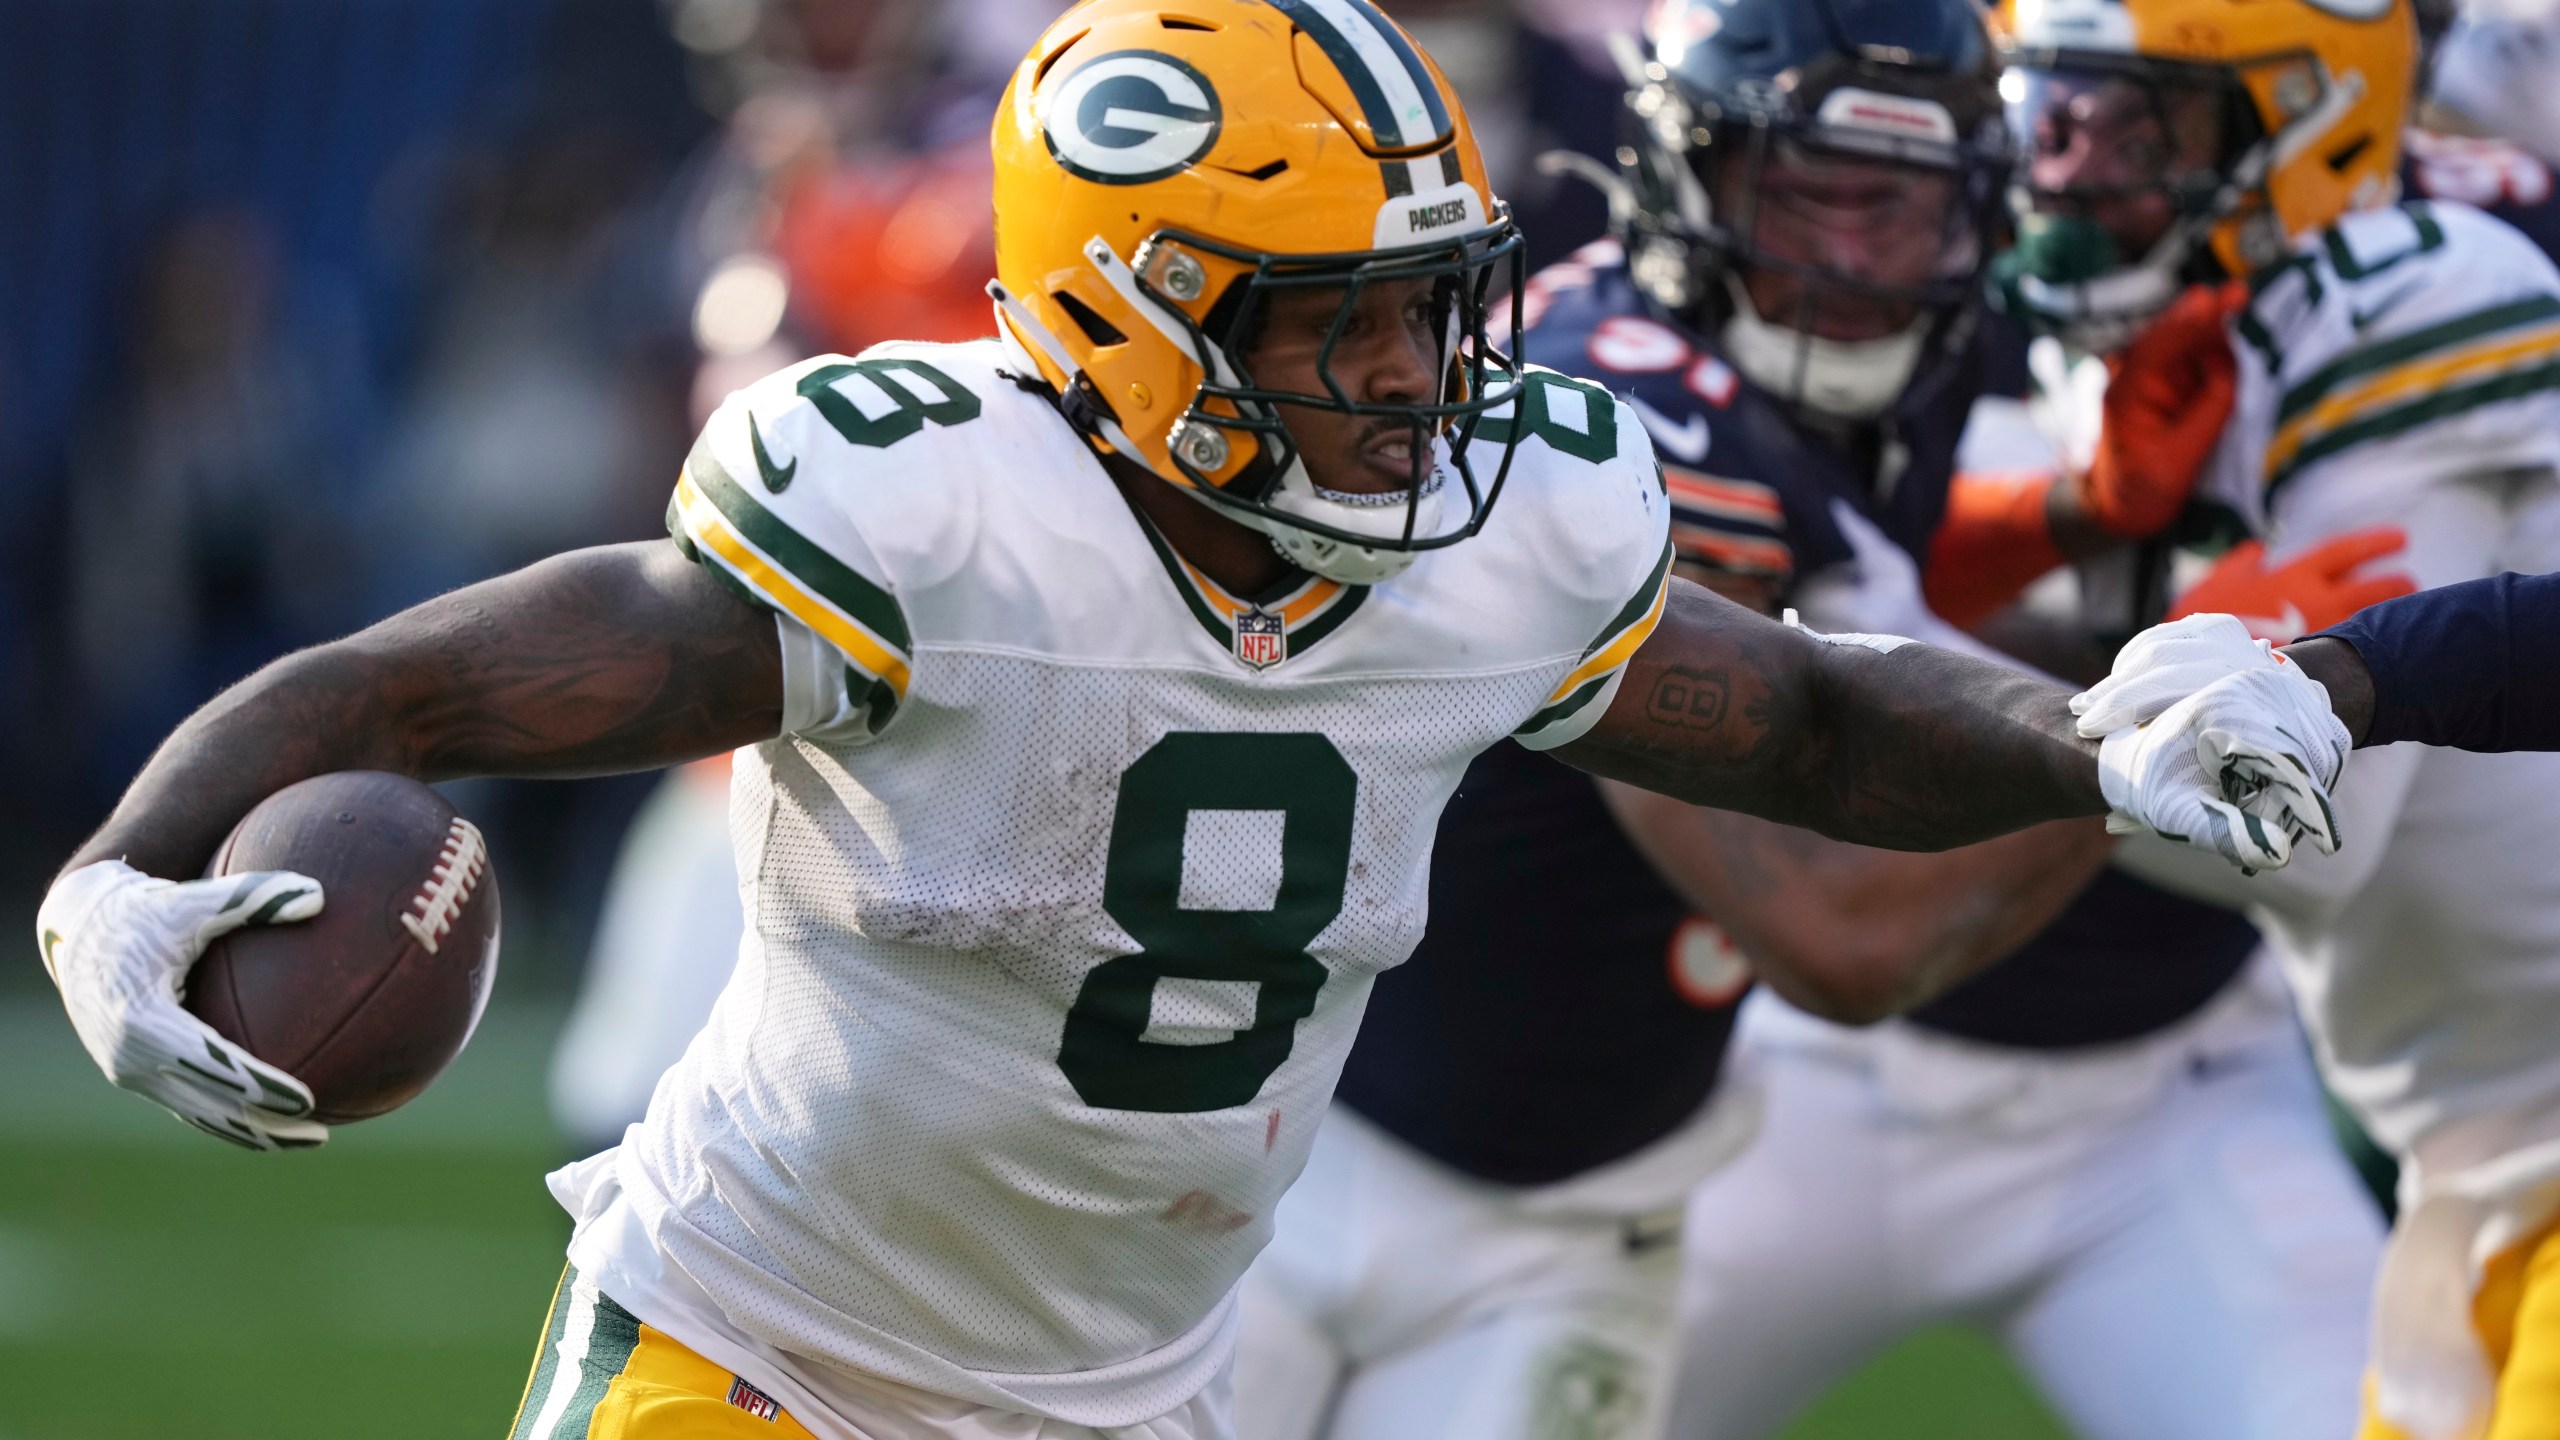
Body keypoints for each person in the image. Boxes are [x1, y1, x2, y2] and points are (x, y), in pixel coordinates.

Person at [31, 3, 2330, 1438]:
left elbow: (1810, 728)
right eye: (1341, 325)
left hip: (1141, 1395)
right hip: (763, 1351)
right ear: (1138, 323)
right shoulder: (932, 514)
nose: (1418, 379)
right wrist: (118, 879)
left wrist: (2089, 738)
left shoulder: (1498, 529)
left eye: (1433, 311)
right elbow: (419, 685)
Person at [1502, 4, 2396, 1438]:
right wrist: (2170, 698)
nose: (1853, 257)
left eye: (1904, 208)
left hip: (2174, 1090)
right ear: (1692, 169)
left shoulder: (2013, 307)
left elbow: (1869, 588)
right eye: (1811, 194)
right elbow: (1847, 930)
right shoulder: (1614, 412)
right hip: (1783, 1098)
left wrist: (2076, 515)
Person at [1973, 0, 2560, 1433]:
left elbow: (2302, 816)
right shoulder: (2181, 321)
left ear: (2311, 118)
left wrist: (1919, 764)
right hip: (2475, 1153)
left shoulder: (2403, 291)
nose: (2074, 171)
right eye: (2056, 112)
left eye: (2142, 123)